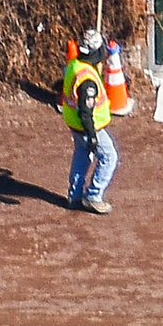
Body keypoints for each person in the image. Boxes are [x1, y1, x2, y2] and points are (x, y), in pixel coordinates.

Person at [63, 28, 121, 214]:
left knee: (82, 156)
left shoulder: (75, 66)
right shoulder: (87, 79)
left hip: (74, 125)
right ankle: (94, 196)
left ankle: (75, 195)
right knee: (109, 156)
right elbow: (86, 112)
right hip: (88, 126)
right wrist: (93, 135)